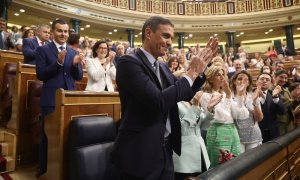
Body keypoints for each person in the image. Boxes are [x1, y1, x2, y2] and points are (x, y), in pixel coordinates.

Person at [111, 16, 218, 180]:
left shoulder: (161, 66)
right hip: (140, 153)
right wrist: (191, 72)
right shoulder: (129, 63)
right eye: (165, 36)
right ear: (148, 33)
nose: (170, 42)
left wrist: (201, 69)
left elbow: (185, 92)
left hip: (165, 150)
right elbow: (158, 101)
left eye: (172, 38)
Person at [35, 19, 84, 177]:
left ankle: (63, 170)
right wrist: (58, 62)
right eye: (59, 31)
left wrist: (76, 65)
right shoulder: (43, 50)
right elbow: (41, 74)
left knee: (67, 136)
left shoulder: (72, 51)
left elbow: (78, 76)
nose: (63, 34)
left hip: (70, 99)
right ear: (52, 31)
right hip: (51, 99)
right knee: (49, 136)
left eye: (65, 31)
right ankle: (44, 169)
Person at [173, 91, 222, 180]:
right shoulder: (174, 103)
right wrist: (195, 107)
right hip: (185, 156)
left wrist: (209, 108)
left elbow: (204, 126)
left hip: (200, 152)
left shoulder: (191, 101)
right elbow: (181, 130)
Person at [200, 65, 242, 168]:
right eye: (218, 75)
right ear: (210, 78)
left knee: (236, 162)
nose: (222, 77)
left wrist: (231, 95)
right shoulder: (206, 95)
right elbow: (222, 117)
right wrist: (228, 96)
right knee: (220, 165)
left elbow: (238, 113)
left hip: (232, 129)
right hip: (217, 131)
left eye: (223, 74)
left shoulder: (224, 93)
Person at [230, 71, 263, 153]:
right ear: (234, 81)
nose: (242, 81)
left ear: (249, 83)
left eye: (246, 79)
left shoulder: (253, 96)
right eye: (239, 79)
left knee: (254, 163)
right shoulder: (229, 96)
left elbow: (259, 118)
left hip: (253, 136)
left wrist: (255, 101)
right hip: (236, 137)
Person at [256, 73, 285, 143]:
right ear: (257, 81)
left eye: (267, 80)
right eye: (262, 79)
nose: (264, 81)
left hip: (272, 133)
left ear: (270, 83)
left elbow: (282, 111)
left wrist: (275, 97)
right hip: (256, 133)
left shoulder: (274, 93)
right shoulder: (250, 94)